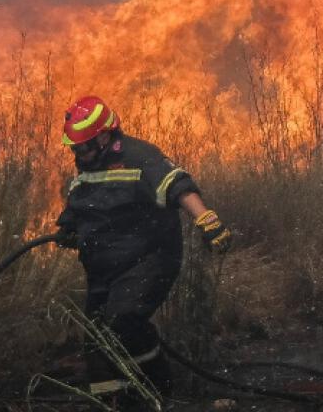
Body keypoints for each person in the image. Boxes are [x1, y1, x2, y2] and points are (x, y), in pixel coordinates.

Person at [54, 95, 231, 403]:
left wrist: (205, 218)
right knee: (96, 338)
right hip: (104, 267)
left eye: (83, 146)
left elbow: (178, 185)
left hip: (148, 260)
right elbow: (81, 204)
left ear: (105, 135)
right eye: (74, 147)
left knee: (123, 322)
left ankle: (158, 393)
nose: (77, 152)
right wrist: (69, 229)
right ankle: (112, 403)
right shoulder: (86, 165)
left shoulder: (140, 157)